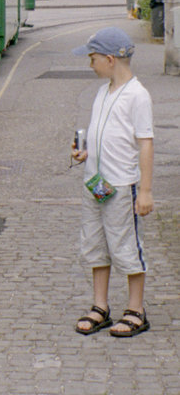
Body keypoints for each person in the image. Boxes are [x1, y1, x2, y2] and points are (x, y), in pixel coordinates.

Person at [71, 26, 154, 338]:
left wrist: (144, 191)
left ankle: (136, 310)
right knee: (96, 244)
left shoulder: (137, 96)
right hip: (96, 184)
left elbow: (145, 144)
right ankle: (100, 306)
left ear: (109, 59)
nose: (90, 64)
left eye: (92, 58)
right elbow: (104, 133)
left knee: (126, 245)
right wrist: (86, 153)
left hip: (121, 185)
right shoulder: (102, 92)